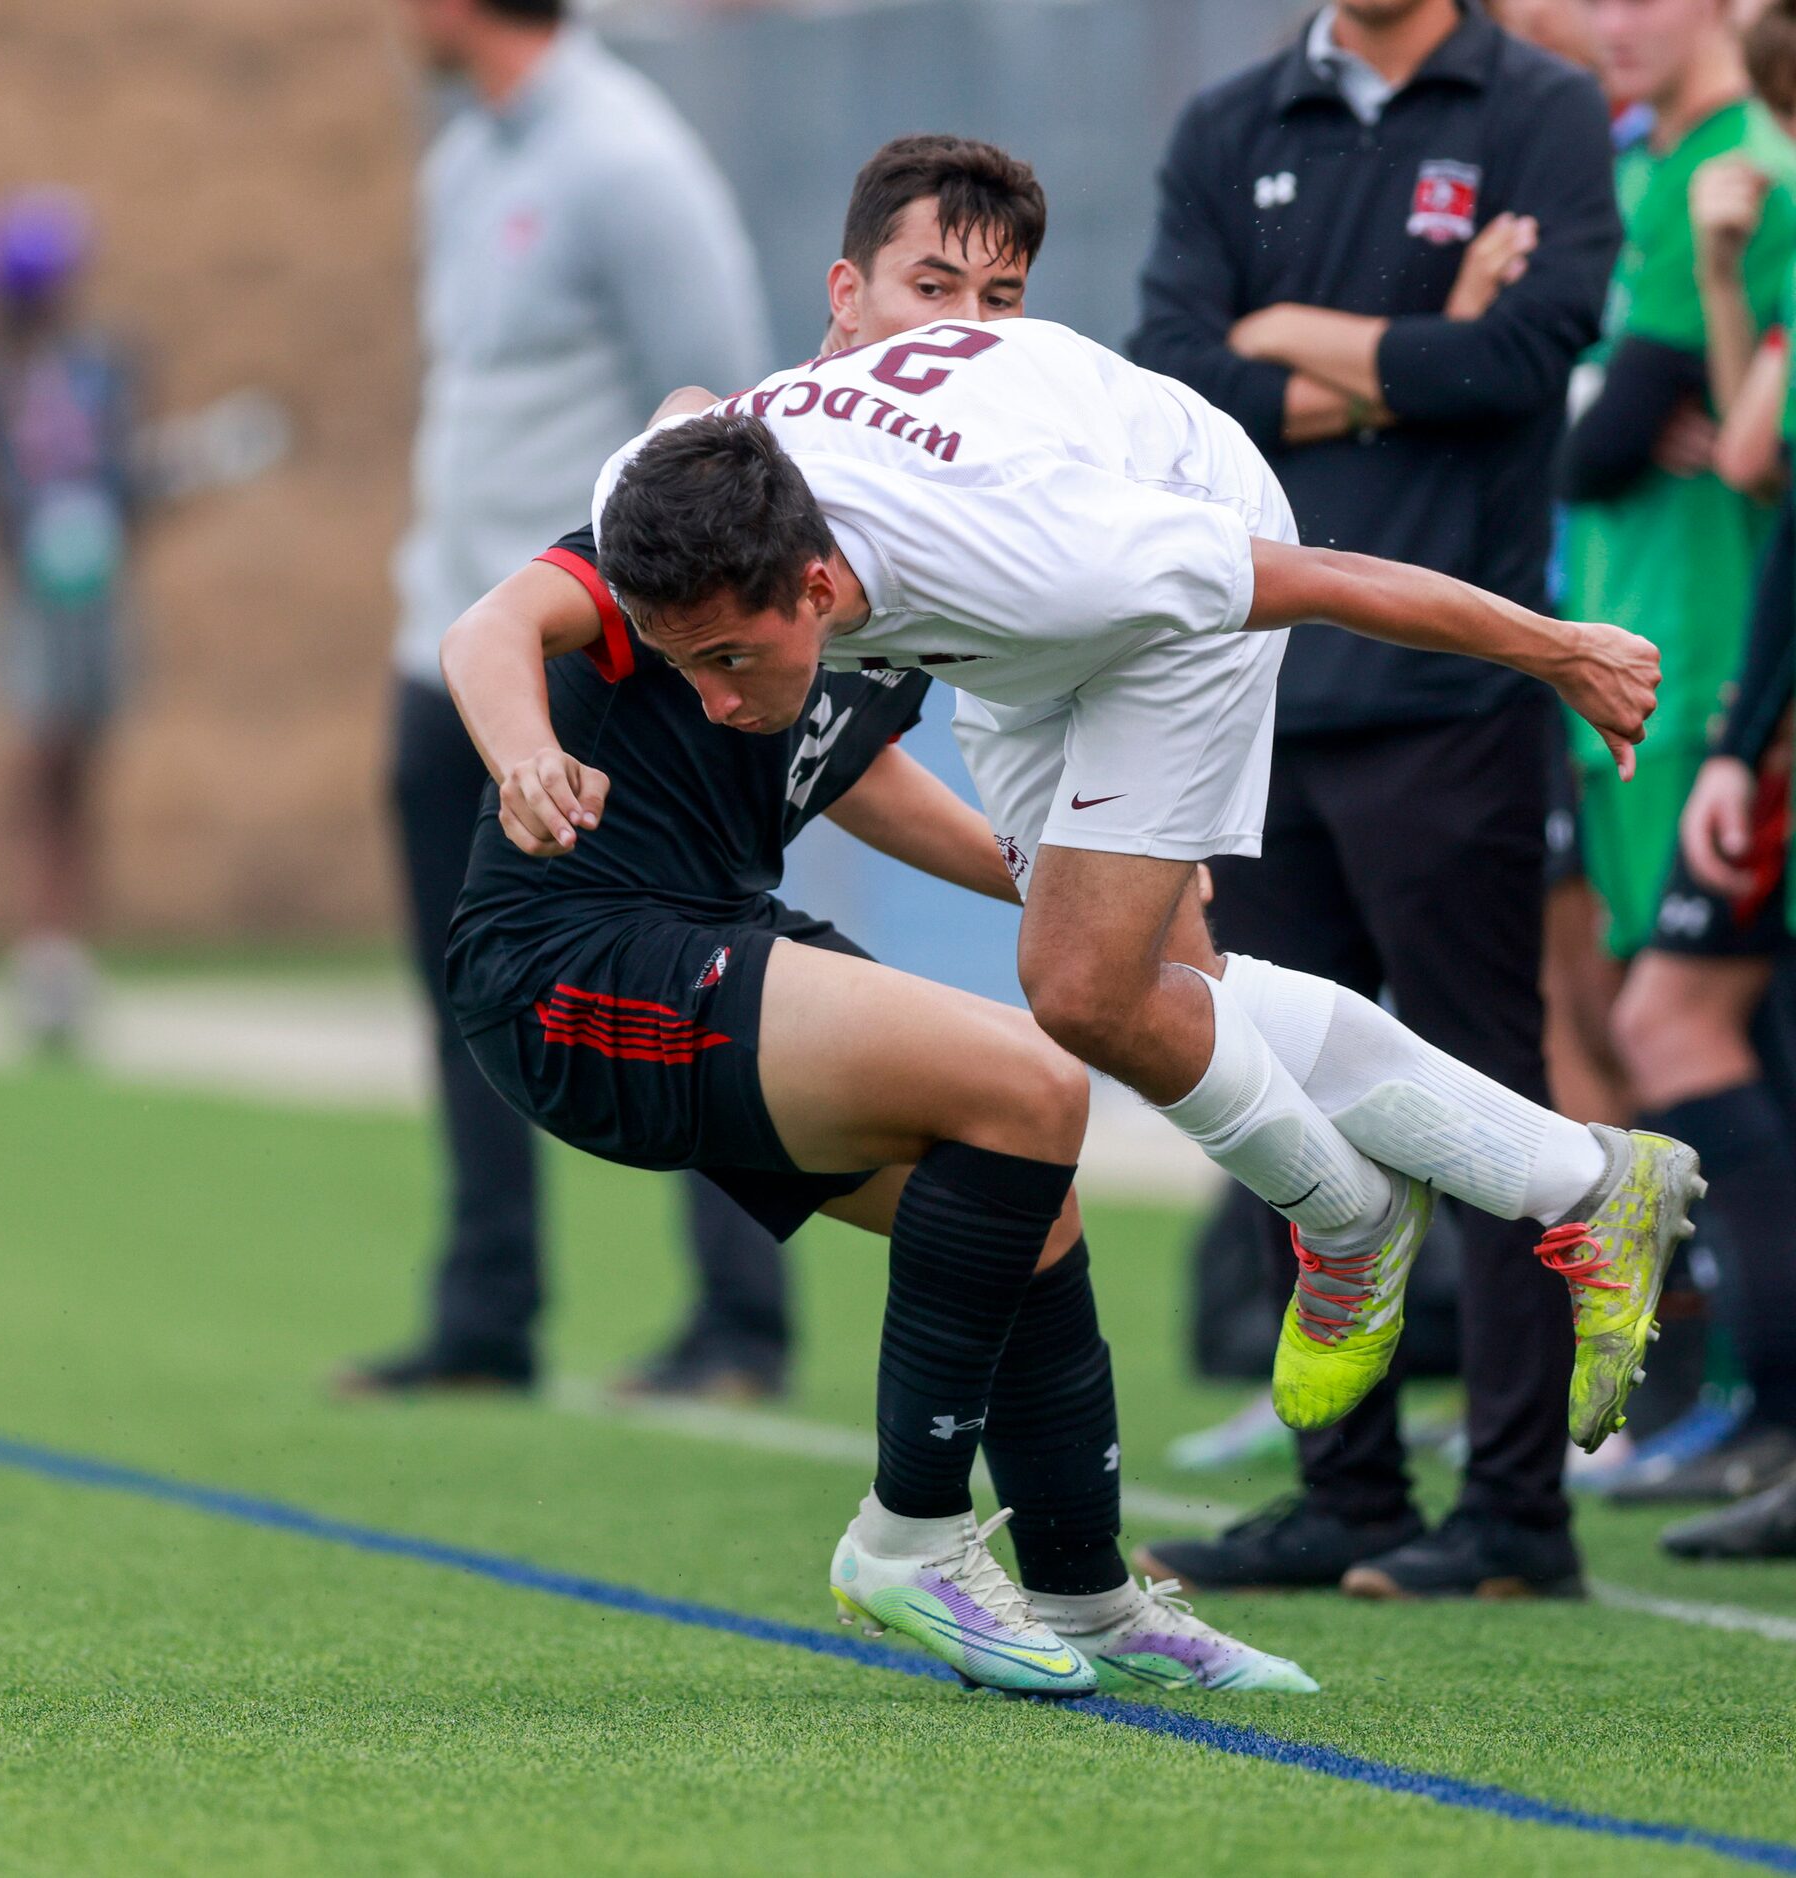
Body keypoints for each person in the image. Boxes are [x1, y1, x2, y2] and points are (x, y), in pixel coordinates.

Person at [441, 138, 1315, 1697]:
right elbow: (498, 620)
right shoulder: (728, 478)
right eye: (929, 285)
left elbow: (853, 771)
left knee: (1028, 1199)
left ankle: (1093, 1593)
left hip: (709, 934)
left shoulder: (927, 509)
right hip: (568, 958)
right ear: (846, 298)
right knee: (1031, 1080)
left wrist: (1063, 874)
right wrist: (524, 753)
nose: (956, 324)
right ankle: (906, 1538)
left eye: (997, 297)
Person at [580, 319, 1703, 1512]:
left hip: (1177, 555)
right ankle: (1588, 1182)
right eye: (679, 661)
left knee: (1076, 986)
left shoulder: (1051, 553)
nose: (708, 701)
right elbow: (688, 399)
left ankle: (1349, 1224)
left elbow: (1320, 580)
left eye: (725, 659)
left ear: (813, 584)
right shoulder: (644, 500)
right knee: (1165, 991)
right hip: (1016, 644)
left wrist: (1560, 651)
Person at [1123, 0, 1622, 1599]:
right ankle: (1346, 1492)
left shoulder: (1540, 104)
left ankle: (1516, 1509)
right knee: (1282, 1097)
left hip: (1450, 701)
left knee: (1484, 1095)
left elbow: (1521, 358)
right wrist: (1392, 363)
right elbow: (1176, 389)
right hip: (1259, 690)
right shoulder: (1229, 128)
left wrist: (1294, 338)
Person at [346, 0, 784, 1402]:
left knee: (693, 974)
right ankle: (489, 1310)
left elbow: (717, 421)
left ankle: (739, 1323)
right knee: (464, 983)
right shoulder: (465, 157)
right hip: (448, 645)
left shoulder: (627, 162)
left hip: (589, 658)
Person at [1602, 0, 1796, 1549]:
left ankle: (1756, 1406)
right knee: (1668, 1015)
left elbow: (1695, 450)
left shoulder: (1733, 169)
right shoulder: (1700, 186)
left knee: (1671, 1016)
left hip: (1720, 675)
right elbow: (1753, 451)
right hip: (1724, 693)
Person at [0, 189, 144, 1054]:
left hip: (97, 587)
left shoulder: (105, 366)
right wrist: (13, 531)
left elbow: (127, 474)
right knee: (33, 762)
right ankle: (38, 949)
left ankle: (72, 952)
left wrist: (120, 513)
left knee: (81, 766)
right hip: (29, 588)